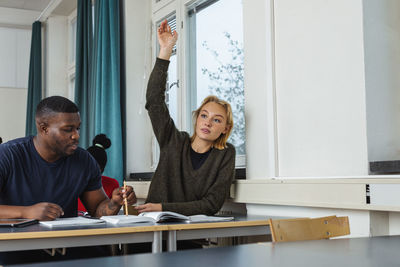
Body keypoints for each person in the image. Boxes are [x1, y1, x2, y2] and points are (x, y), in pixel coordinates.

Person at [136, 20, 235, 216]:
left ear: (225, 128)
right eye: (204, 115)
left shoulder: (225, 154)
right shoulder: (174, 141)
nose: (207, 122)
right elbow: (154, 100)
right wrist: (166, 50)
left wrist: (164, 207)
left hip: (190, 234)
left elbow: (211, 204)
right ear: (197, 119)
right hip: (152, 228)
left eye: (217, 120)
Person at [0, 96, 136, 220]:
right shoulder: (7, 155)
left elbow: (96, 210)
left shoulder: (84, 160)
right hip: (15, 243)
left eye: (77, 128)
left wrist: (114, 203)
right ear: (44, 128)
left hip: (65, 242)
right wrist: (26, 212)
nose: (76, 136)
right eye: (68, 129)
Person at [78, 134, 120, 213]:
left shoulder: (112, 184)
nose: (89, 172)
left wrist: (116, 202)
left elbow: (107, 213)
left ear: (102, 169)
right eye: (86, 167)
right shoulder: (72, 183)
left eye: (95, 169)